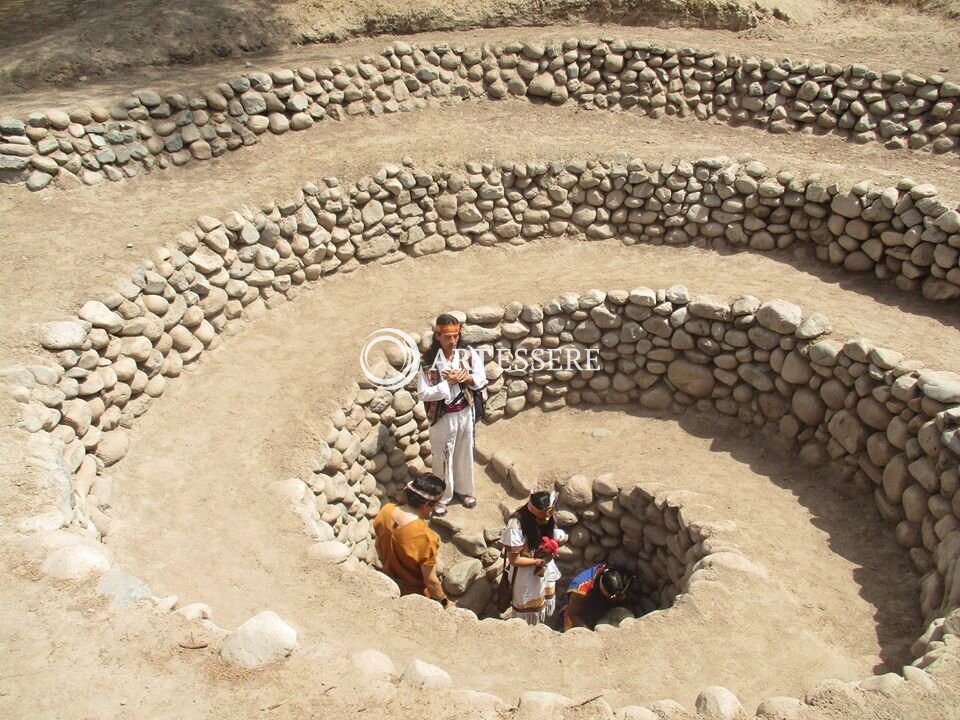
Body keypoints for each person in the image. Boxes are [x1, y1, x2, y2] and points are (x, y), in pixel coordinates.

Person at [417, 314, 487, 517]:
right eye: (448, 337)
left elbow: (481, 379)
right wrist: (448, 384)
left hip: (465, 412)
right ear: (437, 336)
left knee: (464, 452)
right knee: (442, 458)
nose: (453, 341)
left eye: (455, 336)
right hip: (443, 418)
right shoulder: (428, 363)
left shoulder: (467, 355)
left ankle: (464, 491)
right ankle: (441, 497)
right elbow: (423, 393)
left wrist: (466, 378)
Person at [373, 473, 450, 607]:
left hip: (388, 578)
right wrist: (444, 601)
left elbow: (378, 546)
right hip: (413, 594)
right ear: (427, 505)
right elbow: (431, 582)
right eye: (437, 503)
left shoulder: (386, 510)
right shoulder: (425, 537)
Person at [500, 490, 568, 625]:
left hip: (544, 569)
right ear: (531, 515)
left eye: (547, 518)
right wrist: (537, 561)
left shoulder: (547, 519)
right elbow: (514, 560)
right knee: (527, 613)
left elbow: (551, 535)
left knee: (543, 604)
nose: (544, 522)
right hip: (525, 576)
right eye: (540, 519)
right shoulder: (516, 526)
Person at [561, 563, 632, 631]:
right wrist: (590, 633)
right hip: (573, 608)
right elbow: (573, 615)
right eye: (612, 597)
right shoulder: (580, 589)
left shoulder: (613, 572)